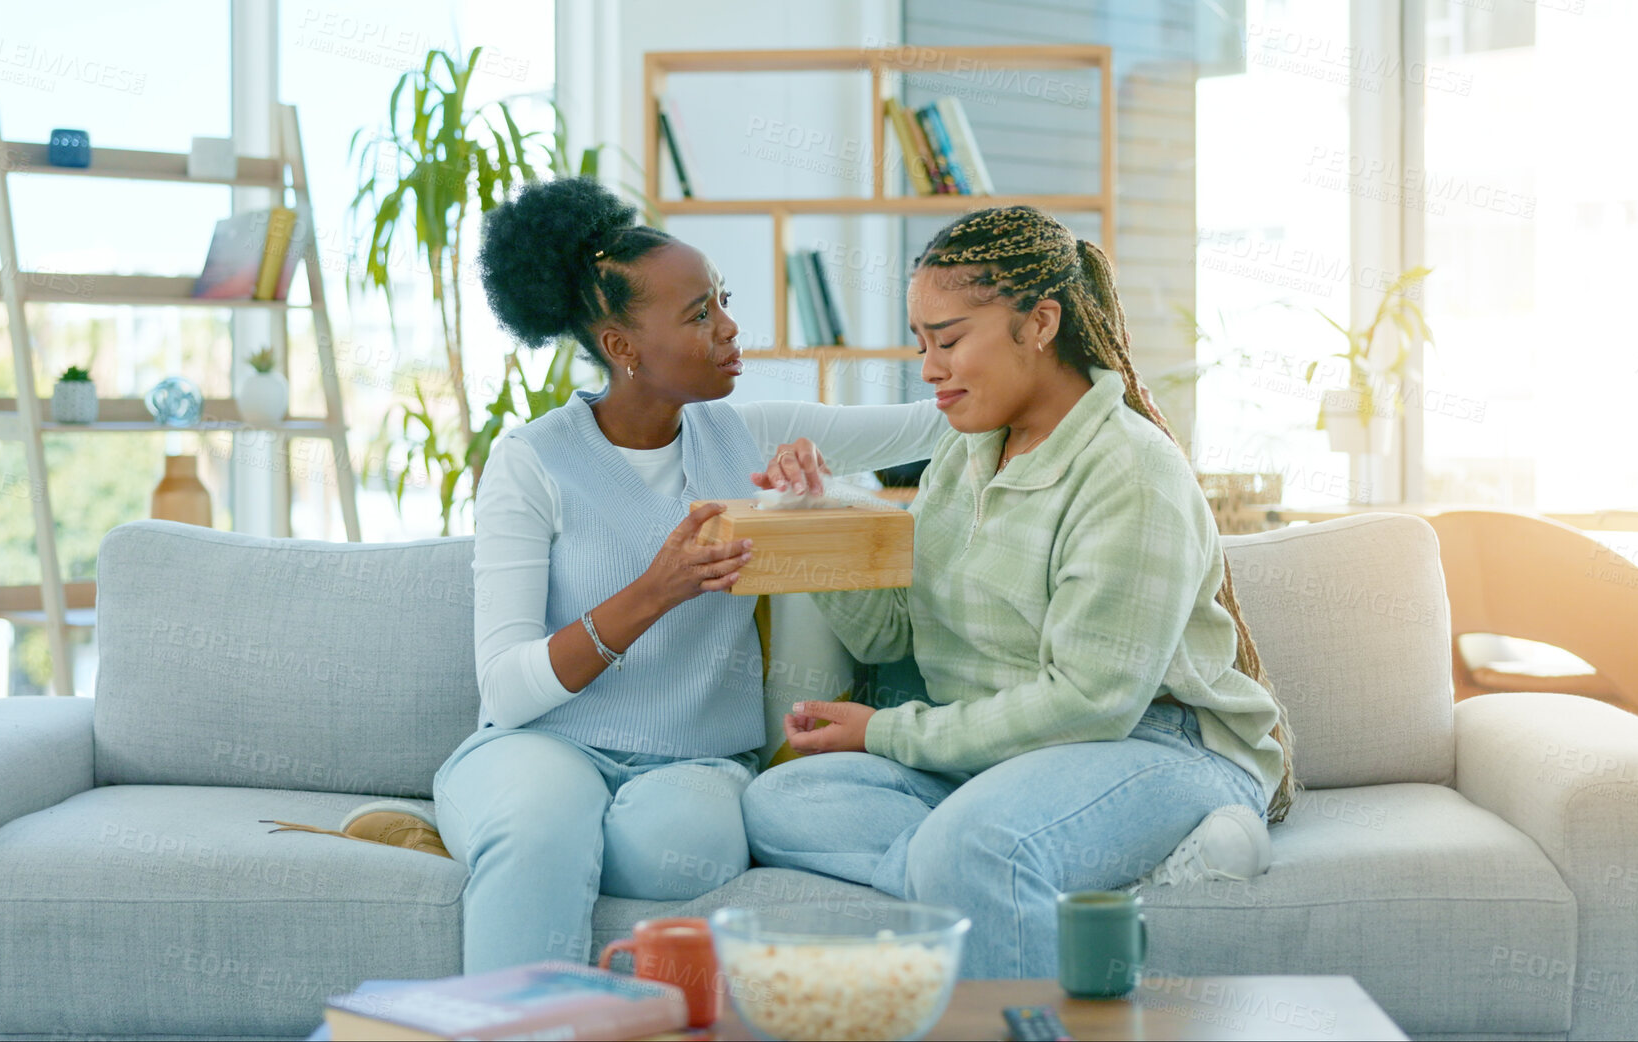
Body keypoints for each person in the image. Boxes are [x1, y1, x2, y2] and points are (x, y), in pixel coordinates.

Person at [740, 205, 1297, 979]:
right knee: (779, 802)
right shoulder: (964, 453)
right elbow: (892, 635)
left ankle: (1009, 864)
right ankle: (1045, 867)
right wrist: (821, 518)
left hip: (1146, 746)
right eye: (921, 343)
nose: (929, 368)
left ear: (1039, 323)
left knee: (972, 848)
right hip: (995, 759)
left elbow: (1089, 702)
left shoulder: (1130, 471)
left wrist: (887, 733)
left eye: (950, 339)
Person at [432, 177, 948, 972]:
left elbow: (935, 422)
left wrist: (1064, 364)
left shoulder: (751, 436)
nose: (731, 328)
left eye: (722, 300)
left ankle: (546, 844)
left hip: (696, 763)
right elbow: (504, 690)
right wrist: (656, 589)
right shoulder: (529, 462)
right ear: (622, 348)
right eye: (699, 313)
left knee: (683, 849)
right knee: (541, 825)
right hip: (545, 746)